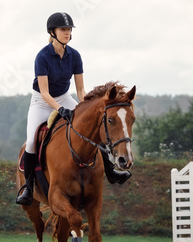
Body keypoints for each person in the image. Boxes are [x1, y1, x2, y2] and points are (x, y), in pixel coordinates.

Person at [16, 12, 130, 206]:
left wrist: (88, 108)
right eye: (63, 29)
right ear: (52, 32)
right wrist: (60, 109)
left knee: (93, 127)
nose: (67, 33)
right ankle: (27, 186)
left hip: (64, 97)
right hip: (41, 102)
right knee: (32, 142)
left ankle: (111, 171)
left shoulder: (74, 55)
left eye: (69, 30)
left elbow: (80, 90)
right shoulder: (42, 56)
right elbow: (44, 92)